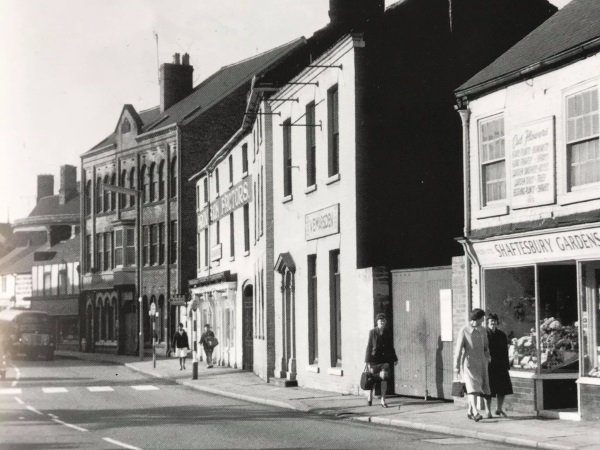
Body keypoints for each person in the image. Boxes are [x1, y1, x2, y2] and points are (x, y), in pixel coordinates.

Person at [454, 308, 491, 422]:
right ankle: (475, 412)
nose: (483, 320)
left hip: (482, 362)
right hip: (469, 363)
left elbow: (486, 346)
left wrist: (488, 356)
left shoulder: (483, 330)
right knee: (472, 388)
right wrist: (456, 366)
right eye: (482, 318)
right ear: (477, 318)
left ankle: (470, 411)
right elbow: (459, 350)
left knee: (483, 387)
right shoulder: (464, 330)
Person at [364, 313, 398, 408]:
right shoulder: (372, 332)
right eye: (380, 321)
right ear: (377, 322)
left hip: (384, 360)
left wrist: (394, 358)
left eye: (384, 321)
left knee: (384, 378)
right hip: (374, 359)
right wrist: (367, 361)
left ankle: (383, 400)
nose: (382, 322)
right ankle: (369, 396)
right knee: (372, 379)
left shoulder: (387, 332)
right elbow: (369, 347)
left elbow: (391, 347)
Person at [484, 313, 513, 418]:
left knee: (502, 388)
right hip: (489, 365)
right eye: (491, 321)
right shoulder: (484, 334)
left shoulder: (501, 335)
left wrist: (506, 364)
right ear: (487, 323)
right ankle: (487, 411)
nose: (493, 323)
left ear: (497, 323)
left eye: (495, 321)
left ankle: (499, 409)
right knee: (488, 389)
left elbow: (505, 351)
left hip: (500, 365)